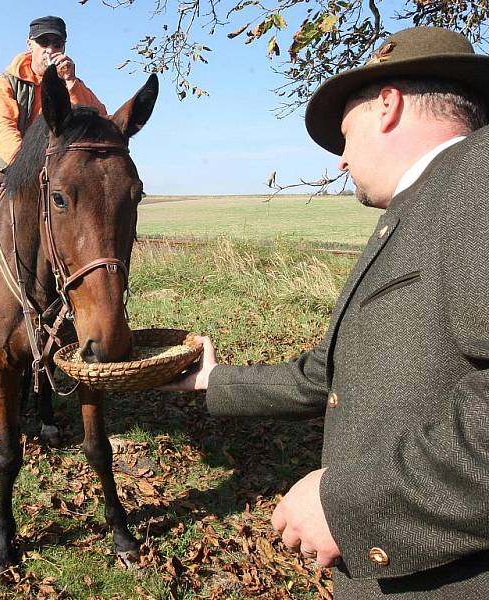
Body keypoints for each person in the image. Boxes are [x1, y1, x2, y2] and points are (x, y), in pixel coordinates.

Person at [163, 26, 489, 599]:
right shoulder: (422, 206)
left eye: (344, 135)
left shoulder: (475, 182)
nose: (341, 162)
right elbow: (335, 375)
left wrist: (352, 501)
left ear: (387, 105)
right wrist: (212, 380)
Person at [0, 15, 106, 328]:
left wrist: (70, 84)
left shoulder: (72, 84)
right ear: (30, 44)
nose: (50, 49)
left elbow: (98, 118)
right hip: (9, 169)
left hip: (58, 174)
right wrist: (24, 166)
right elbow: (2, 126)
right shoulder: (7, 80)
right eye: (44, 42)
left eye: (57, 43)